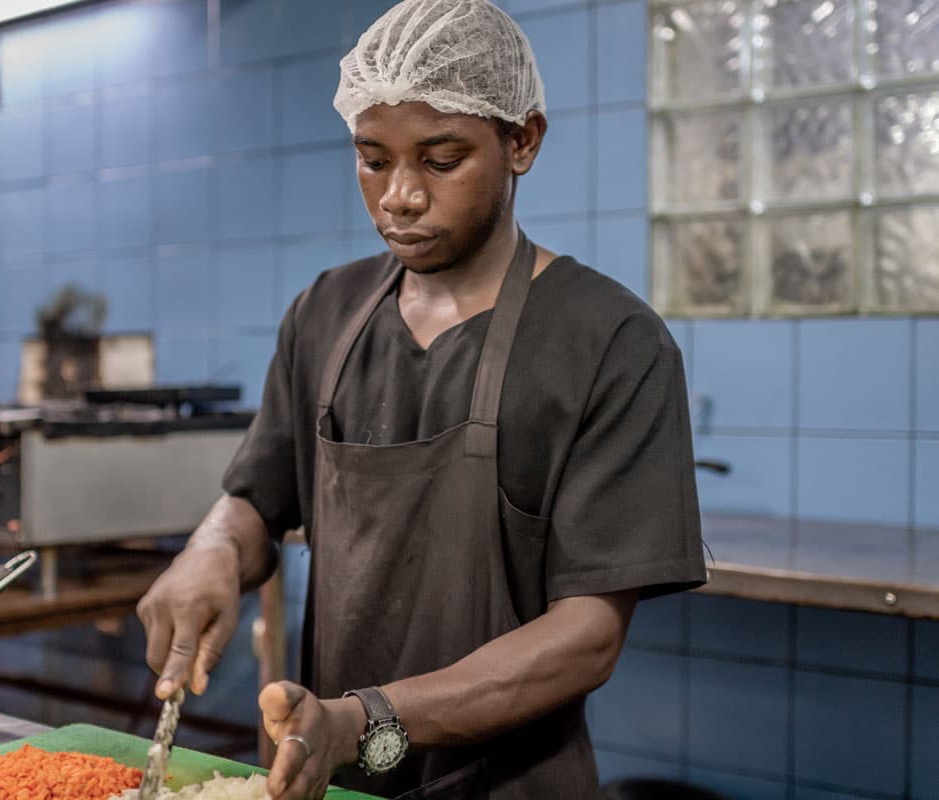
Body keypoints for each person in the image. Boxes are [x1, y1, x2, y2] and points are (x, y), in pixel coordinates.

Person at [136, 1, 707, 797]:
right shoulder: (325, 315)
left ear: (522, 142)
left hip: (512, 785)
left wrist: (364, 719)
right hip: (335, 779)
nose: (399, 196)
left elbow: (588, 636)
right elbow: (258, 501)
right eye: (373, 159)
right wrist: (213, 551)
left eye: (440, 160)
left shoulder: (609, 341)